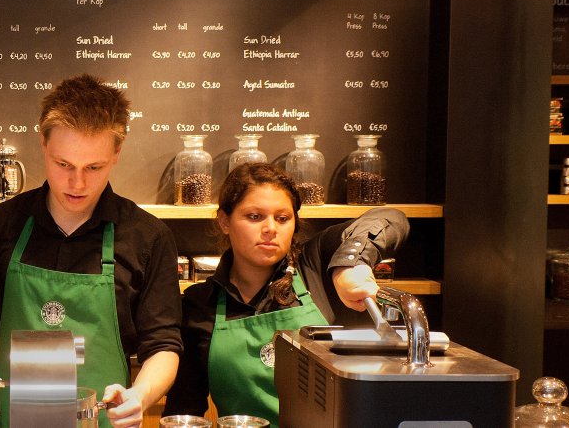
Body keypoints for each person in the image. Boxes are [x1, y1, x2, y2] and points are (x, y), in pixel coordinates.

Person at [0, 74, 182, 428]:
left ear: (117, 152)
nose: (77, 183)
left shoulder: (148, 237)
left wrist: (141, 394)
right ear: (42, 142)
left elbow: (162, 343)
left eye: (93, 167)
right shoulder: (1, 225)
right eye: (63, 165)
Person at [163, 162, 410, 422]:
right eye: (254, 216)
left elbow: (392, 218)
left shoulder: (315, 266)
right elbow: (184, 408)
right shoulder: (200, 303)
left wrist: (351, 263)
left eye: (282, 218)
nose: (270, 228)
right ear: (225, 221)